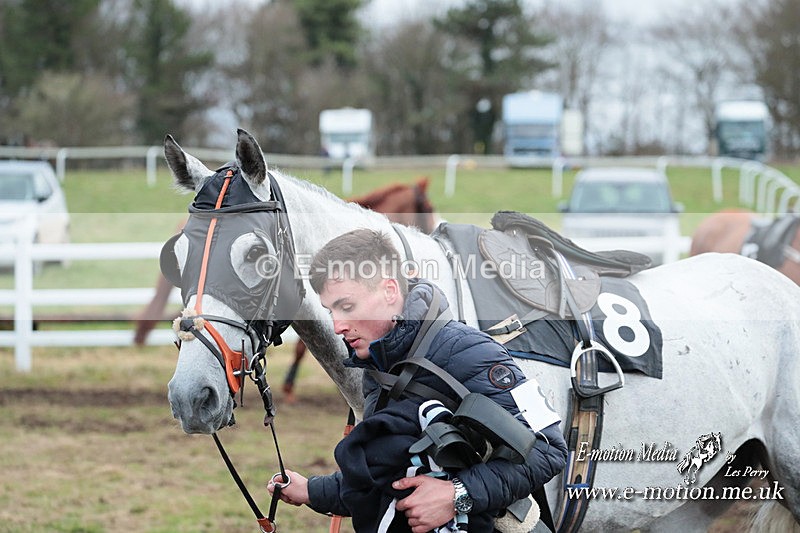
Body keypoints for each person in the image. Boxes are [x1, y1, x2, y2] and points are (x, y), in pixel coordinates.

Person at [268, 228, 567, 532]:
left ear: (389, 291)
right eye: (330, 311)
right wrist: (311, 491)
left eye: (346, 307)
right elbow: (387, 478)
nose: (337, 326)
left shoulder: (472, 351)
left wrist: (457, 494)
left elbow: (548, 449)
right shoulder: (377, 369)